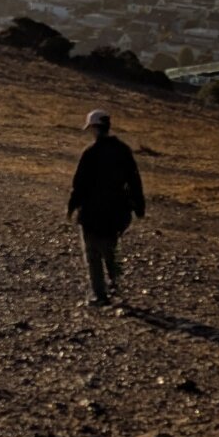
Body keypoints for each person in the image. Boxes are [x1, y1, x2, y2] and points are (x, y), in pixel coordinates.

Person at [67, 109, 145, 307]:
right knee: (111, 249)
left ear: (94, 128)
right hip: (117, 211)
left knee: (93, 254)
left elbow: (79, 184)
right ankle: (116, 287)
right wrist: (138, 206)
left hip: (92, 212)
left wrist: (72, 206)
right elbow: (134, 179)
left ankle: (99, 294)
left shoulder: (90, 153)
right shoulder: (123, 151)